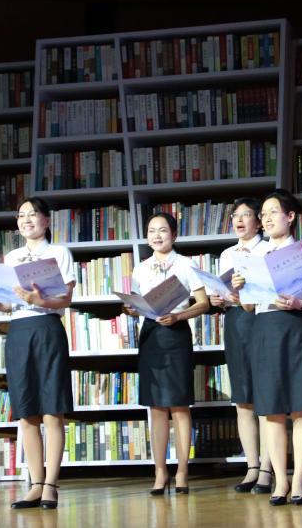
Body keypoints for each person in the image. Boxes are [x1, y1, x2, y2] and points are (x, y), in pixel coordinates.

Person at [236, 189, 302, 506]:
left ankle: (299, 479)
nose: (267, 218)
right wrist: (240, 290)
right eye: (263, 214)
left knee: (301, 408)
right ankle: (280, 480)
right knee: (271, 409)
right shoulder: (254, 257)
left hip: (296, 328)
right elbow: (248, 307)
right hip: (264, 329)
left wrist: (300, 303)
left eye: (273, 211)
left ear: (290, 216)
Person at [0, 198, 76, 509]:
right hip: (19, 330)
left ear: (46, 220)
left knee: (52, 410)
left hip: (47, 327)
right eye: (21, 215)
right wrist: (0, 304)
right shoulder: (11, 257)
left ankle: (51, 484)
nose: (26, 220)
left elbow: (65, 299)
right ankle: (35, 484)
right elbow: (12, 302)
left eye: (32, 214)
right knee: (26, 411)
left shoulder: (59, 252)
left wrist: (39, 300)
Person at [126, 212, 209, 495]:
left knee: (179, 406)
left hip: (176, 333)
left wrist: (178, 316)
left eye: (162, 230)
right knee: (156, 407)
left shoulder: (186, 264)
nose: (156, 236)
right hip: (150, 335)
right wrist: (130, 308)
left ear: (174, 234)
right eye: (151, 231)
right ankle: (160, 471)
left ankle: (183, 470)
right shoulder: (141, 268)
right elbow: (136, 303)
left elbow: (204, 303)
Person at [208, 197, 273, 493]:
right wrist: (218, 298)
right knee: (243, 399)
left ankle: (268, 468)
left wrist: (247, 292)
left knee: (266, 398)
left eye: (246, 214)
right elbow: (222, 292)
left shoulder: (268, 249)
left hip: (261, 319)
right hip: (235, 321)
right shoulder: (227, 254)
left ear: (258, 221)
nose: (239, 219)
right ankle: (252, 467)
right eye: (235, 215)